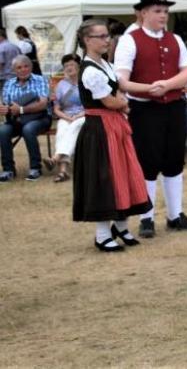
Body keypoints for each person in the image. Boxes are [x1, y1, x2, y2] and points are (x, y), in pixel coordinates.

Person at [114, 0, 187, 238]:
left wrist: (169, 84)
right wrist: (150, 89)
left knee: (175, 159)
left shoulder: (175, 39)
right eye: (157, 11)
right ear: (142, 13)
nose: (163, 15)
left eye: (165, 11)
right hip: (144, 109)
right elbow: (122, 80)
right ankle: (146, 218)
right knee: (148, 162)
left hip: (173, 105)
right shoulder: (129, 40)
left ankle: (176, 215)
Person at [72, 19, 151, 252]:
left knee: (124, 174)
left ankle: (121, 226)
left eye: (108, 36)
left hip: (114, 126)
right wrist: (123, 104)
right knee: (105, 178)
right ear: (87, 40)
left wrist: (120, 103)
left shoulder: (105, 64)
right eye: (102, 36)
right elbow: (109, 100)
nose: (108, 40)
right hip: (99, 129)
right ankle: (102, 234)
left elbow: (116, 92)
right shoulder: (89, 71)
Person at [0, 55, 53, 181]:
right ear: (14, 70)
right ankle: (8, 170)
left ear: (31, 67)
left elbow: (43, 104)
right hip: (16, 120)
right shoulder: (9, 84)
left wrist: (21, 109)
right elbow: (6, 105)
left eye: (26, 66)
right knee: (2, 130)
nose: (23, 69)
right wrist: (4, 109)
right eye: (19, 67)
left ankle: (35, 168)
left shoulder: (41, 80)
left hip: (40, 118)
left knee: (28, 129)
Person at [44, 54, 85, 183]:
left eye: (71, 64)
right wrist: (67, 117)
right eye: (66, 65)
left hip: (85, 115)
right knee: (62, 130)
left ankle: (55, 159)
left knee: (75, 125)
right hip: (66, 116)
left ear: (79, 66)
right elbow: (57, 109)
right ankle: (63, 171)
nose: (69, 68)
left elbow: (92, 105)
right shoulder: (61, 85)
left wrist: (78, 116)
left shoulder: (86, 82)